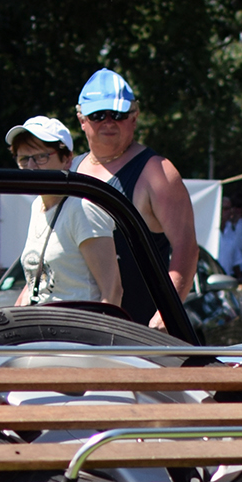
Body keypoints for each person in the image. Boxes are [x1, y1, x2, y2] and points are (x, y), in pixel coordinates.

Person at [70, 68, 196, 329]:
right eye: (97, 115)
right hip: (75, 329)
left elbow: (186, 248)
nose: (108, 121)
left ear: (134, 117)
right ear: (82, 119)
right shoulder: (71, 169)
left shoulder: (156, 172)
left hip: (136, 334)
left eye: (118, 114)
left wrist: (166, 311)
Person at [4, 116, 119, 308]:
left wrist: (98, 337)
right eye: (24, 159)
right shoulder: (37, 205)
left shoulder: (83, 208)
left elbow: (113, 291)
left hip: (77, 333)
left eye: (41, 157)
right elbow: (35, 284)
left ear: (66, 159)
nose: (31, 167)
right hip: (42, 331)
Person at [218, 194, 242, 283]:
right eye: (234, 206)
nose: (236, 210)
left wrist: (236, 223)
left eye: (239, 207)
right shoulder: (225, 226)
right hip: (227, 271)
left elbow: (240, 245)